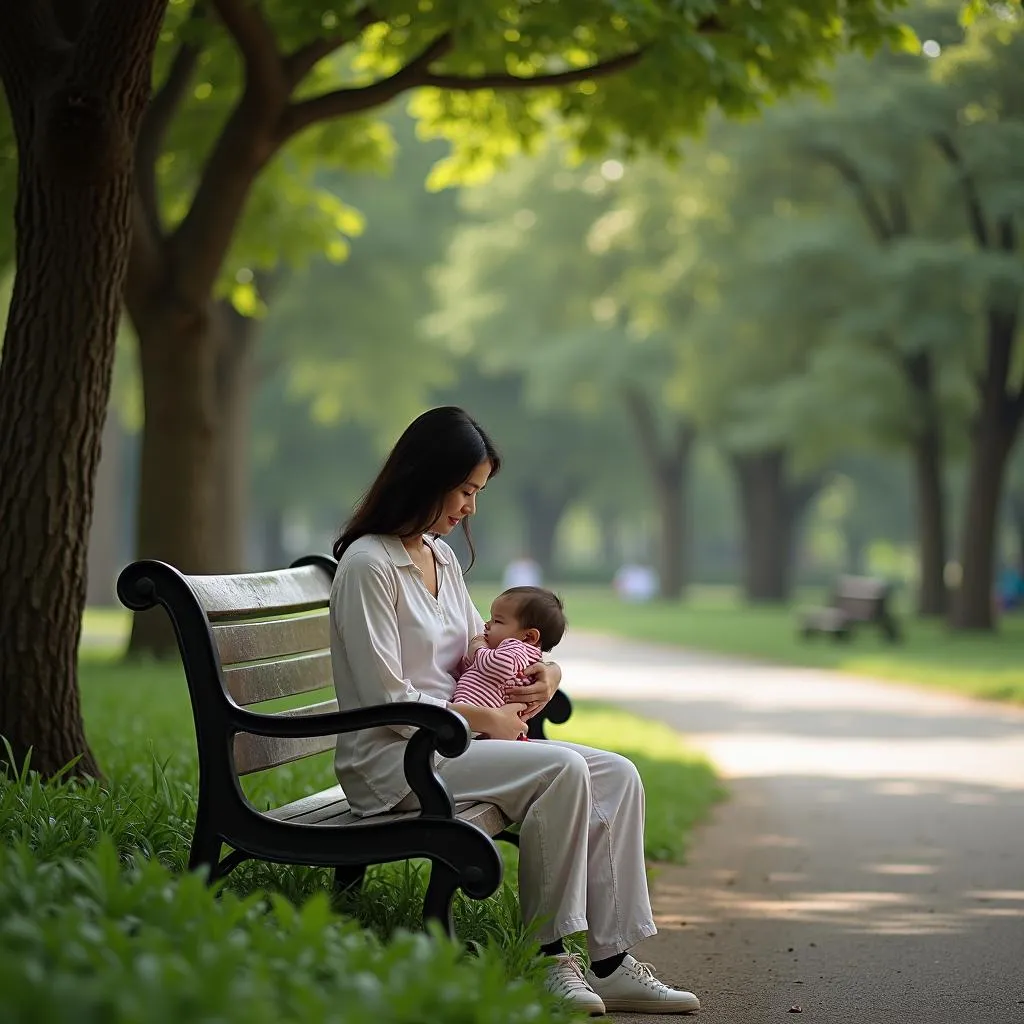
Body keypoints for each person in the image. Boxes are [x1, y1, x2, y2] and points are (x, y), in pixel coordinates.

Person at [329, 406, 700, 1016]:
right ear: (427, 478)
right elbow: (383, 698)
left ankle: (609, 962)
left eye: (478, 492)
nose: (471, 507)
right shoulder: (369, 564)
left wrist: (545, 673)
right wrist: (484, 721)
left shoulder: (440, 558)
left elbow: (483, 644)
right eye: (466, 490)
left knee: (618, 774)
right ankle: (547, 955)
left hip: (457, 747)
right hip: (397, 761)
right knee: (562, 771)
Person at [451, 587, 567, 741]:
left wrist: (478, 649)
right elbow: (476, 670)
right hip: (477, 721)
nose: (487, 624)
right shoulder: (507, 651)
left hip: (484, 724)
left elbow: (499, 665)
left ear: (529, 636)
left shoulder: (517, 649)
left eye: (497, 621)